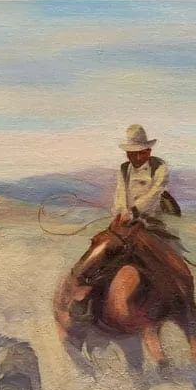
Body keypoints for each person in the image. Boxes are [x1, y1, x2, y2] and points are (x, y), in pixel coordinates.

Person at [70, 124, 181, 323]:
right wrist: (121, 212)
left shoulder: (160, 167)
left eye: (140, 153)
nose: (135, 157)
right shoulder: (124, 169)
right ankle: (85, 298)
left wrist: (134, 211)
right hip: (127, 223)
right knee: (102, 252)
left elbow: (155, 193)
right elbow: (120, 194)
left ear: (148, 151)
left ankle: (178, 302)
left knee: (171, 262)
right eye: (131, 153)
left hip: (153, 223)